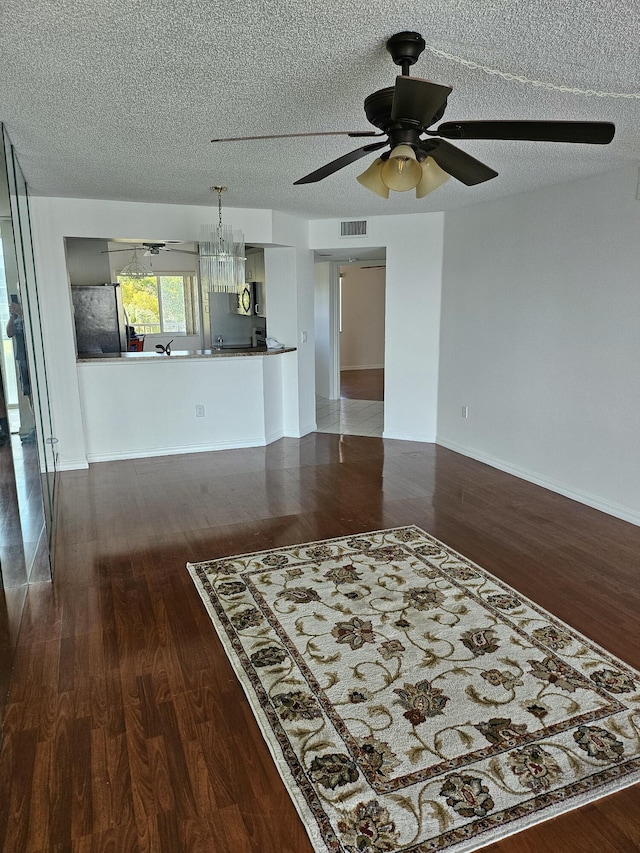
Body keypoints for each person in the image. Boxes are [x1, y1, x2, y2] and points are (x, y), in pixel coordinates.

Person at [6, 295, 35, 443]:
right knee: (28, 391)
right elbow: (9, 333)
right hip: (21, 358)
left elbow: (35, 329)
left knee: (37, 391)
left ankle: (39, 426)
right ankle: (35, 426)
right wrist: (12, 316)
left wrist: (22, 313)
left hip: (33, 359)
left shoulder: (30, 314)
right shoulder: (15, 317)